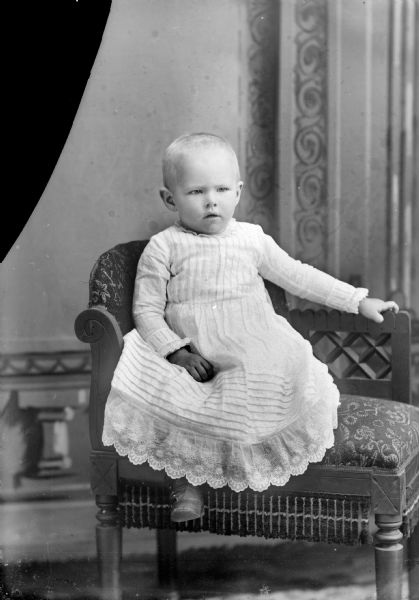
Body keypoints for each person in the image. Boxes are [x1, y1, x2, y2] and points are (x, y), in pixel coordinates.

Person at [102, 132, 399, 522]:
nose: (212, 200)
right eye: (196, 191)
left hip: (252, 340)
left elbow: (298, 276)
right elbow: (146, 311)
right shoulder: (164, 247)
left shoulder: (251, 239)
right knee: (174, 393)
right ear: (170, 199)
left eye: (222, 189)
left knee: (259, 380)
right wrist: (176, 351)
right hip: (192, 350)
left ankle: (264, 474)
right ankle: (185, 484)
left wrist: (356, 300)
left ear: (238, 192)